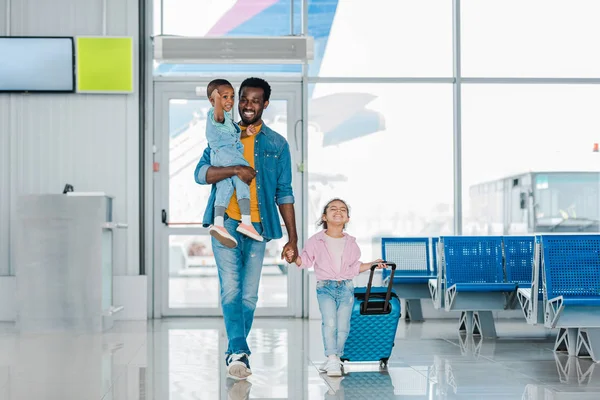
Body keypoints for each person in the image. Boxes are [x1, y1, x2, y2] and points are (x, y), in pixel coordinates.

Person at [194, 77, 299, 380]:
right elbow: (201, 174)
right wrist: (235, 169)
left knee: (249, 295)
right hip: (226, 222)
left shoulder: (277, 144)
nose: (248, 106)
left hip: (258, 226)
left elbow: (285, 192)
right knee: (231, 288)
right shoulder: (223, 132)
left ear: (265, 104)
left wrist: (292, 238)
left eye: (255, 100)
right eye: (243, 99)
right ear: (236, 100)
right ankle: (239, 352)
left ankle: (233, 349)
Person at [287, 198, 386, 377]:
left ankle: (335, 358)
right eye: (333, 208)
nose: (338, 211)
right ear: (325, 216)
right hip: (325, 287)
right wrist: (293, 256)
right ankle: (332, 357)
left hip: (347, 288)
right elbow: (305, 261)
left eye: (343, 209)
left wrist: (372, 264)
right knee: (330, 322)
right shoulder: (315, 240)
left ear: (347, 218)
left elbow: (354, 267)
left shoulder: (351, 243)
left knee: (343, 326)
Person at [204, 78, 263, 247]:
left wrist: (246, 134)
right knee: (243, 178)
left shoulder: (227, 121)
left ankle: (219, 223)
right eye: (224, 97)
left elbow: (232, 138)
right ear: (213, 100)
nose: (229, 100)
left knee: (226, 186)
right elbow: (219, 116)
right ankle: (246, 221)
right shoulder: (216, 115)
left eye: (231, 97)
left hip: (221, 158)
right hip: (227, 155)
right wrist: (216, 100)